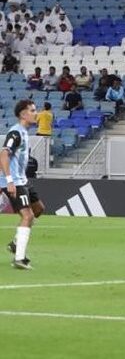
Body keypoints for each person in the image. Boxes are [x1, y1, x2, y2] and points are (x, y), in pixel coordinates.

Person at [2, 99, 46, 270]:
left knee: (39, 209)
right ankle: (19, 259)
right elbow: (3, 155)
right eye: (33, 110)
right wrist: (9, 181)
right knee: (27, 216)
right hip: (14, 181)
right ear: (23, 114)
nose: (36, 113)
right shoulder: (16, 133)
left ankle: (15, 243)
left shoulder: (25, 132)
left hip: (23, 180)